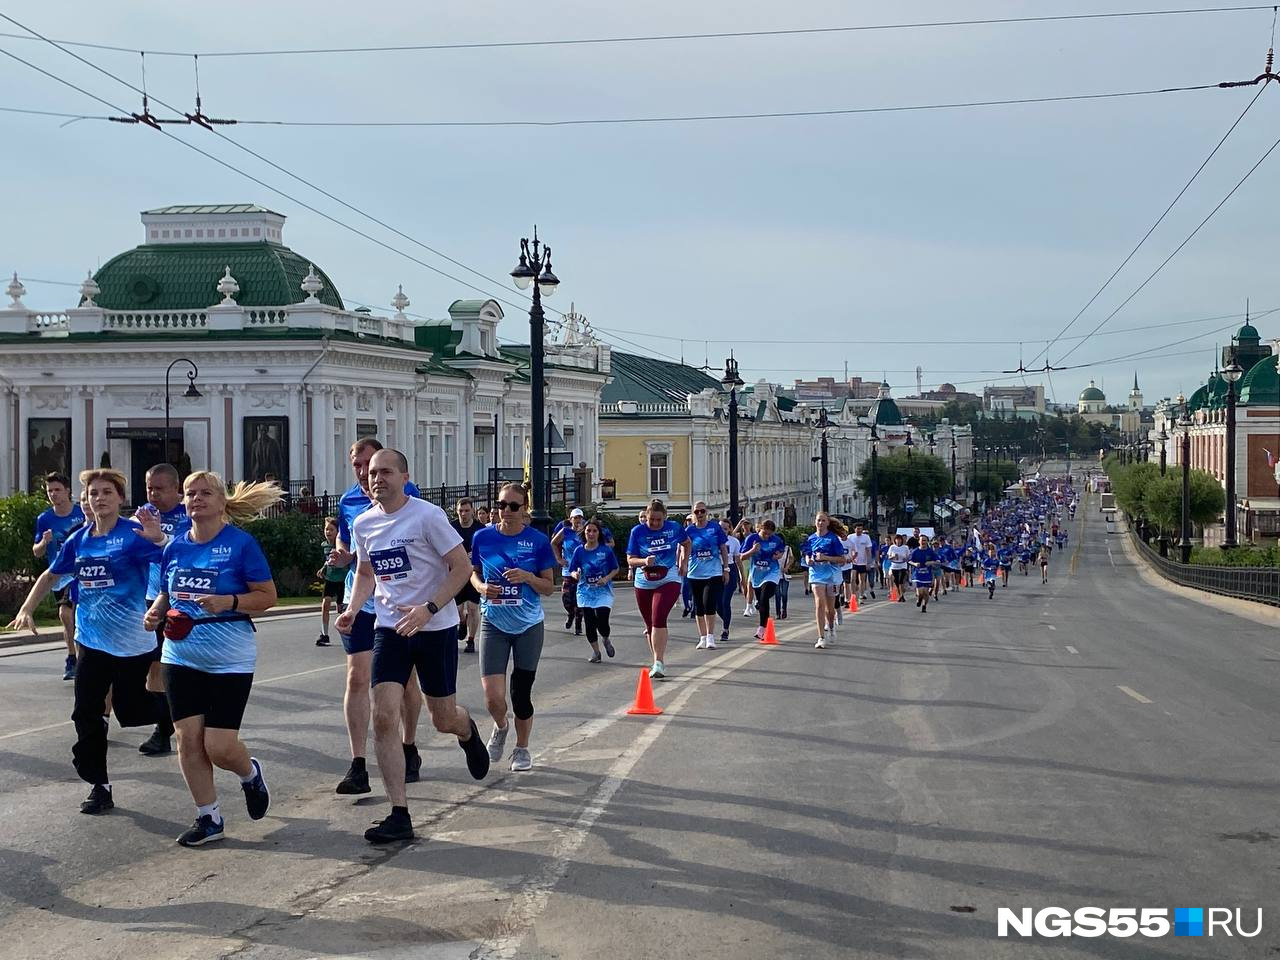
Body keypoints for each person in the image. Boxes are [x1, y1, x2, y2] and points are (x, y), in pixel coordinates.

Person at [337, 450, 487, 843]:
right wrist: (353, 608)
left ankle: (467, 729)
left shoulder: (427, 516)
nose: (376, 478)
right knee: (384, 716)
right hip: (390, 627)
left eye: (385, 471)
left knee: (442, 717)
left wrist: (429, 608)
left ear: (405, 476)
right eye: (371, 473)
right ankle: (399, 813)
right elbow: (366, 573)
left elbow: (462, 567)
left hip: (435, 626)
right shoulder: (365, 522)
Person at [7, 468, 172, 816]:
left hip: (131, 643)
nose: (99, 498)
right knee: (86, 712)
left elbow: (172, 561)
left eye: (106, 493)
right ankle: (100, 785)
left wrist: (158, 541)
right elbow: (51, 573)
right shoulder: (79, 539)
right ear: (87, 500)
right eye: (93, 493)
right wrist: (27, 608)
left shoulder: (134, 534)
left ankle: (175, 711)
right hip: (92, 641)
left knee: (130, 711)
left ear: (120, 499)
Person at [142, 473, 280, 846]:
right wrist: (156, 611)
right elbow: (168, 593)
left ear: (222, 503)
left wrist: (229, 602)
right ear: (184, 504)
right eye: (191, 494)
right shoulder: (175, 548)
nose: (197, 499)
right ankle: (209, 818)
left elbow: (267, 596)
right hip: (180, 655)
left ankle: (250, 773)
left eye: (205, 493)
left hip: (230, 658)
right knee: (188, 740)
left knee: (218, 747)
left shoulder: (241, 545)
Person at [329, 439, 424, 795]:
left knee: (405, 684)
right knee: (357, 677)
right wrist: (342, 556)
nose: (364, 473)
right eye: (357, 465)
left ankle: (409, 744)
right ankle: (357, 764)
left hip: (398, 602)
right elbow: (346, 541)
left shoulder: (408, 495)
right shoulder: (348, 501)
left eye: (370, 464)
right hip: (361, 597)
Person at [471, 482, 557, 772]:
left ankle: (522, 749)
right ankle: (500, 726)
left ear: (524, 510)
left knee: (520, 694)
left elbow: (549, 587)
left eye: (513, 506)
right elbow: (473, 573)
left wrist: (528, 577)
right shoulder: (483, 537)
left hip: (528, 625)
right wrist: (481, 587)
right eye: (501, 505)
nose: (505, 511)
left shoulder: (537, 541)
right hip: (493, 622)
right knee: (493, 697)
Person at [626, 499, 689, 680]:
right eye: (650, 519)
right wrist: (643, 562)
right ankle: (656, 660)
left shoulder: (674, 528)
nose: (653, 523)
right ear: (645, 517)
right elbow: (630, 559)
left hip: (669, 577)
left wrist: (683, 563)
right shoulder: (637, 532)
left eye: (658, 520)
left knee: (658, 616)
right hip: (644, 580)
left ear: (665, 518)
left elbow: (687, 543)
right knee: (649, 624)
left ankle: (659, 662)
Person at [32, 472, 85, 680]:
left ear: (67, 491)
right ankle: (72, 656)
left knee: (69, 612)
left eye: (57, 490)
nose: (53, 494)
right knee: (66, 616)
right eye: (50, 491)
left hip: (81, 572)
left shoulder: (81, 513)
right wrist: (44, 542)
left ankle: (81, 659)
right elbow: (36, 552)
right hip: (59, 574)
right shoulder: (45, 519)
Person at [679, 500, 730, 651]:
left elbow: (723, 548)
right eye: (697, 512)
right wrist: (683, 564)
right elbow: (684, 549)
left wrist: (726, 569)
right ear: (693, 513)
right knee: (698, 606)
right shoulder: (689, 531)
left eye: (702, 511)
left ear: (706, 512)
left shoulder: (714, 527)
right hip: (695, 573)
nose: (700, 514)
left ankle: (710, 636)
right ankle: (702, 637)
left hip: (713, 572)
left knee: (709, 603)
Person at [567, 517, 619, 662]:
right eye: (588, 531)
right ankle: (596, 653)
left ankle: (606, 639)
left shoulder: (605, 550)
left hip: (603, 591)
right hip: (585, 591)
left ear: (599, 533)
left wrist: (606, 579)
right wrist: (575, 574)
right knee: (589, 623)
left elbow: (615, 569)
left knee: (602, 620)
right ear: (584, 533)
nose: (591, 533)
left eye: (594, 531)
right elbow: (571, 569)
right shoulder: (579, 551)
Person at [802, 512, 847, 649]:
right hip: (816, 574)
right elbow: (807, 555)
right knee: (819, 604)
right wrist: (808, 560)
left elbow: (842, 560)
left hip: (832, 575)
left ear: (828, 523)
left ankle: (831, 627)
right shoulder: (810, 539)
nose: (820, 523)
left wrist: (826, 557)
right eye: (818, 520)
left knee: (830, 609)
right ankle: (821, 637)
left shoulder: (833, 539)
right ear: (814, 522)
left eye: (823, 521)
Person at [738, 519, 786, 642]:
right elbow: (742, 557)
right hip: (757, 574)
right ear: (759, 529)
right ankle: (763, 621)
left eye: (769, 534)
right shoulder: (751, 539)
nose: (767, 536)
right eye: (765, 533)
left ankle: (761, 628)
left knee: (765, 596)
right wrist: (753, 550)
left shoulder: (776, 540)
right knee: (762, 602)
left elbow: (781, 550)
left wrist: (779, 555)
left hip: (772, 572)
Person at [451, 498, 483, 654]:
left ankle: (470, 640)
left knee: (472, 607)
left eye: (466, 511)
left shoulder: (480, 529)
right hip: (455, 572)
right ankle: (462, 622)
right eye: (460, 511)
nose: (463, 514)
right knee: (458, 609)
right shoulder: (451, 527)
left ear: (472, 511)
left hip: (474, 572)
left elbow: (486, 550)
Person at [550, 508, 586, 636]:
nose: (578, 520)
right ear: (570, 519)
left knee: (580, 598)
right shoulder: (565, 531)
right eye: (575, 518)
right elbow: (553, 543)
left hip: (582, 571)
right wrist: (559, 558)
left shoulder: (586, 532)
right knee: (567, 598)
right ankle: (571, 613)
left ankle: (578, 624)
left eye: (580, 518)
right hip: (567, 570)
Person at [316, 516, 347, 646]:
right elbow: (327, 559)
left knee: (341, 609)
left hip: (342, 580)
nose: (328, 532)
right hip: (330, 579)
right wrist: (323, 568)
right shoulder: (325, 545)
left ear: (337, 531)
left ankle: (348, 634)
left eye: (331, 529)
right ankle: (324, 634)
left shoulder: (342, 544)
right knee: (325, 604)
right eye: (326, 529)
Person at [716, 518, 742, 643]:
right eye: (721, 528)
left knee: (726, 601)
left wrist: (742, 577)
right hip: (716, 570)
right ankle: (726, 618)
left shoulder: (734, 542)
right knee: (717, 604)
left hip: (730, 570)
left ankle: (725, 629)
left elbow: (738, 560)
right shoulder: (714, 540)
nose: (723, 531)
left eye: (725, 529)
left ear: (730, 529)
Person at [909, 538, 937, 613]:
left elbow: (937, 560)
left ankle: (924, 605)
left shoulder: (930, 551)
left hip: (927, 574)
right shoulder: (915, 551)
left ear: (927, 542)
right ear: (919, 541)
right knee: (920, 592)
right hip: (917, 574)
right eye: (922, 540)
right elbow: (909, 560)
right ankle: (919, 599)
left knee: (926, 592)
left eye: (925, 540)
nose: (923, 542)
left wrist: (930, 562)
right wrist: (914, 564)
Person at [848, 524, 876, 601]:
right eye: (858, 529)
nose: (859, 530)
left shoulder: (866, 537)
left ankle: (861, 594)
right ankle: (853, 595)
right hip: (853, 562)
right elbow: (847, 548)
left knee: (862, 580)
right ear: (854, 529)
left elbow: (868, 550)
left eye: (861, 529)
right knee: (852, 579)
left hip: (863, 562)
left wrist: (868, 562)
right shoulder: (850, 537)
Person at [887, 534, 911, 601]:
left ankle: (901, 595)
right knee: (896, 581)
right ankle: (900, 595)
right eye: (897, 539)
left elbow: (908, 556)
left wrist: (905, 559)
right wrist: (893, 557)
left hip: (903, 565)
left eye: (900, 539)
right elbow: (889, 557)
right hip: (895, 565)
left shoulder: (905, 547)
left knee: (901, 580)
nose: (898, 541)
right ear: (895, 540)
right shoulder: (892, 547)